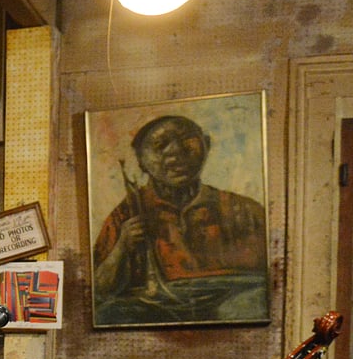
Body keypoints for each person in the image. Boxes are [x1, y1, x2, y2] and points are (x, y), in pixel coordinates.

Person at [92, 115, 267, 326]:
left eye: (185, 140)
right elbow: (97, 293)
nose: (175, 152)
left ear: (207, 145)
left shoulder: (244, 210)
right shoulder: (127, 215)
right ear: (141, 161)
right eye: (160, 145)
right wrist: (122, 246)